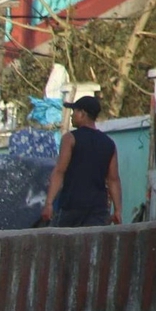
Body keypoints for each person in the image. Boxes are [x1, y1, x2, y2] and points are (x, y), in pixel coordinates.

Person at [41, 94, 121, 228]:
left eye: (74, 112)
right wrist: (118, 210)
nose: (72, 115)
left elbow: (60, 171)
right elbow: (113, 179)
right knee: (93, 247)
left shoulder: (70, 139)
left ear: (82, 114)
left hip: (72, 207)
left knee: (62, 246)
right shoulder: (108, 143)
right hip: (98, 209)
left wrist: (49, 203)